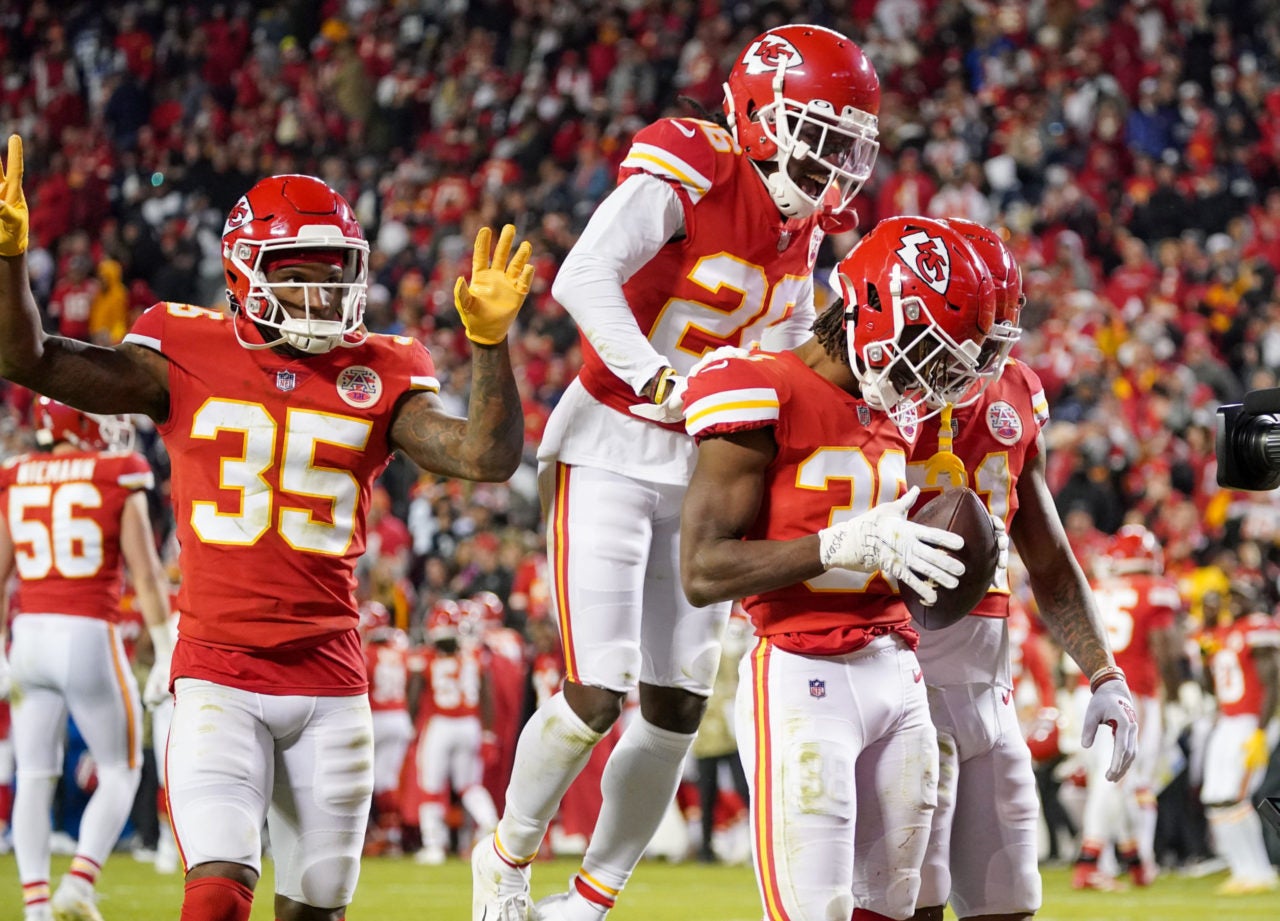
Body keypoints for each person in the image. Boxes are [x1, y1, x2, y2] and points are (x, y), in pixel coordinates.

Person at [0, 133, 534, 921]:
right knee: (216, 892)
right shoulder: (182, 348)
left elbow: (486, 456)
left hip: (331, 678)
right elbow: (30, 358)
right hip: (219, 669)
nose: (323, 294)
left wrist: (490, 345)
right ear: (243, 275)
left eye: (335, 274)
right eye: (300, 275)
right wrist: (10, 263)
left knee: (314, 912)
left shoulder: (381, 369)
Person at [474, 24, 882, 921]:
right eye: (821, 131)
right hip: (613, 441)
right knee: (594, 692)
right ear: (760, 113)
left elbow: (787, 353)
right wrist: (658, 376)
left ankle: (590, 899)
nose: (836, 160)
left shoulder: (806, 225)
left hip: (703, 461)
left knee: (677, 706)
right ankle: (503, 858)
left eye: (850, 140)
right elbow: (585, 276)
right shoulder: (698, 159)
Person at [680, 215, 997, 921]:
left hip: (899, 669)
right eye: (928, 350)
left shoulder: (901, 412)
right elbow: (702, 569)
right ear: (876, 308)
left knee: (893, 906)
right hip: (802, 672)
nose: (935, 376)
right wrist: (836, 546)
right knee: (814, 909)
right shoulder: (760, 385)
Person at [903, 218, 1139, 921]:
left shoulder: (1013, 389)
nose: (981, 345)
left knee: (1009, 905)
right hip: (894, 673)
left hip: (988, 687)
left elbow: (1050, 556)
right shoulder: (873, 389)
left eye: (994, 324)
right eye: (968, 320)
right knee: (904, 905)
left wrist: (1104, 670)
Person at [0, 397, 172, 921]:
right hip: (87, 633)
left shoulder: (18, 473)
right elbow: (145, 575)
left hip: (27, 636)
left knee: (33, 775)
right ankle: (77, 883)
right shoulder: (117, 472)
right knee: (122, 769)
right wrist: (166, 650)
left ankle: (33, 907)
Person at [1072, 523, 1184, 890]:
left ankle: (1135, 859)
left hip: (1084, 691)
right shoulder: (1155, 590)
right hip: (1129, 693)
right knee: (1119, 779)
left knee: (1113, 780)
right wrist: (1178, 695)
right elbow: (1165, 649)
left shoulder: (1098, 587)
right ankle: (1089, 863)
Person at [1197, 582, 1280, 894]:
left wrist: (1261, 730)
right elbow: (1211, 688)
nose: (1232, 603)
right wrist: (1206, 642)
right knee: (1215, 797)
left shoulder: (1258, 628)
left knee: (1236, 795)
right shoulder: (1220, 634)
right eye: (1230, 597)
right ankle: (1241, 869)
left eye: (1240, 597)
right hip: (1227, 720)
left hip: (1250, 721)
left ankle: (1258, 871)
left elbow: (1273, 681)